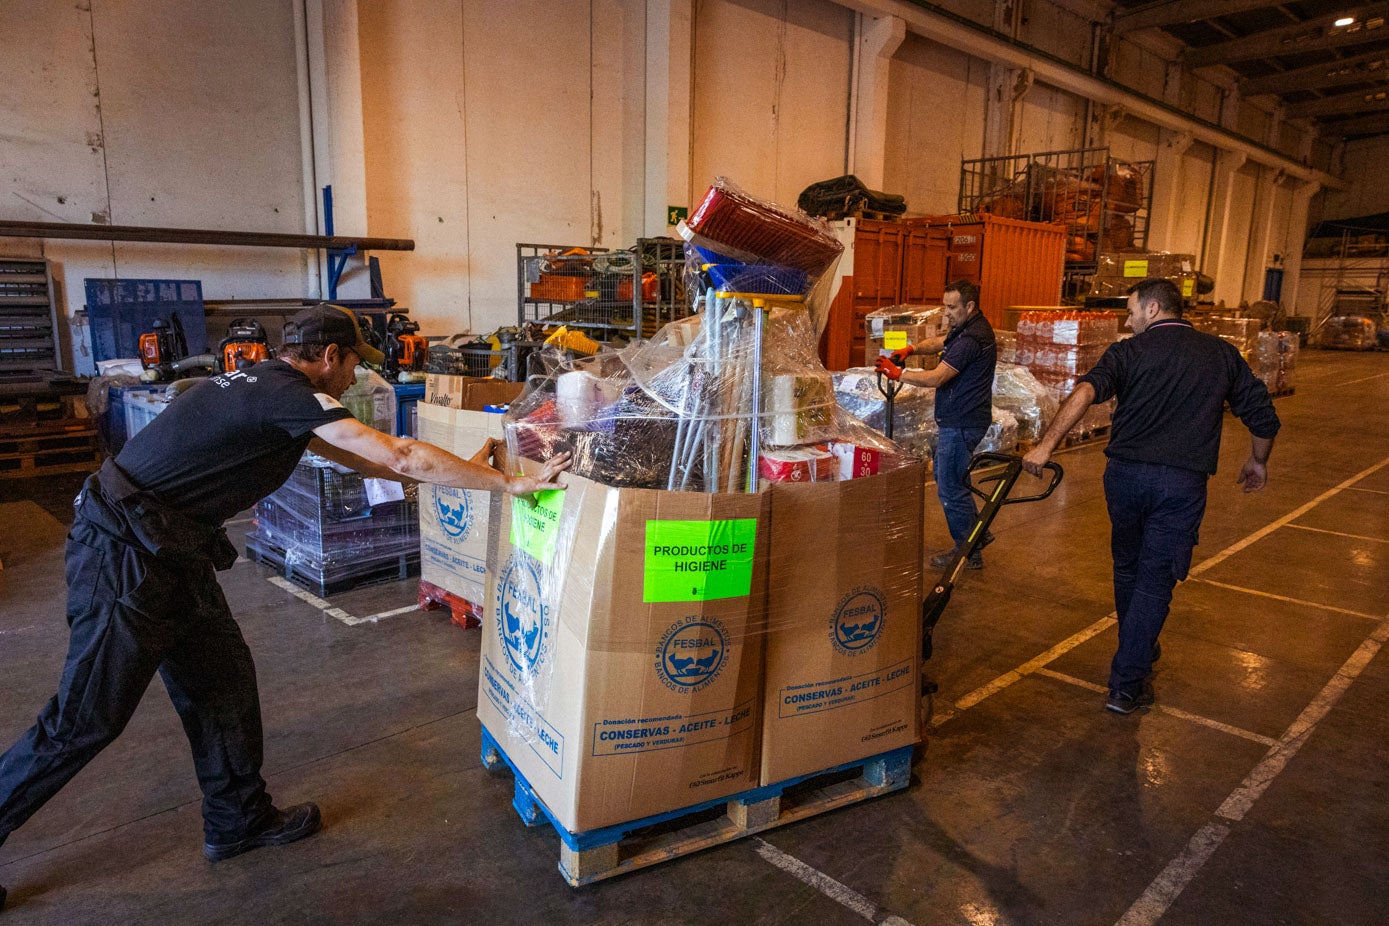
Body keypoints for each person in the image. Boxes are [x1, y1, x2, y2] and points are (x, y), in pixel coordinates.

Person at [0, 304, 569, 912]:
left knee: (222, 682)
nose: (355, 378)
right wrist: (510, 486)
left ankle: (237, 819)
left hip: (170, 549)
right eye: (353, 363)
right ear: (329, 357)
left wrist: (460, 474)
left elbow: (368, 459)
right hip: (124, 556)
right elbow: (398, 456)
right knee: (85, 718)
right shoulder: (285, 392)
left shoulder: (271, 391)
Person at [1021, 278, 1279, 715]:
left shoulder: (1127, 353)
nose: (1127, 319)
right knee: (1155, 579)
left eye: (1131, 310)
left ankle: (1137, 645)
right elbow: (1264, 418)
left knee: (1128, 566)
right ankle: (1126, 683)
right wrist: (1258, 462)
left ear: (1155, 309)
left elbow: (1085, 391)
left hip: (1123, 479)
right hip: (1180, 485)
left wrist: (1046, 445)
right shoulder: (1221, 354)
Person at [876, 279, 997, 569]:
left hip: (962, 422)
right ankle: (976, 537)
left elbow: (937, 378)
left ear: (969, 306)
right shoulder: (967, 328)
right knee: (952, 479)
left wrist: (897, 374)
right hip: (961, 419)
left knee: (950, 488)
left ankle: (966, 552)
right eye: (945, 306)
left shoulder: (971, 339)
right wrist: (912, 349)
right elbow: (941, 342)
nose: (947, 313)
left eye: (952, 307)